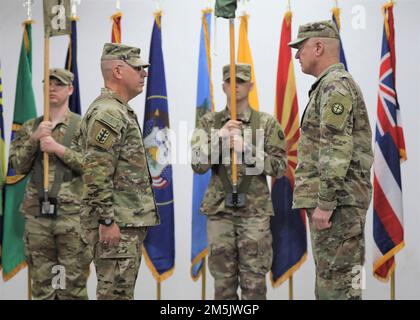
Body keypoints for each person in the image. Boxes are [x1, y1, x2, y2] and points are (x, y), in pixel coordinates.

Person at [289, 21, 373, 300]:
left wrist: (325, 203)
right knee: (333, 287)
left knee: (338, 290)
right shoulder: (327, 86)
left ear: (318, 46)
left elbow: (336, 148)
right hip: (338, 204)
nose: (297, 55)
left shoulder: (335, 86)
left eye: (300, 48)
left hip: (337, 206)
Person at [191, 63, 287, 300]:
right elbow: (198, 163)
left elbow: (280, 167)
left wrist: (247, 149)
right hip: (219, 212)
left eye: (242, 81)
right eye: (231, 82)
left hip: (254, 213)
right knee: (223, 286)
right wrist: (220, 137)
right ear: (223, 86)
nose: (236, 87)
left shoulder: (266, 123)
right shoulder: (208, 123)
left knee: (254, 285)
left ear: (251, 86)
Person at [79, 43, 160, 300]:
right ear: (117, 71)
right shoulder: (109, 113)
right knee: (114, 296)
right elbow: (97, 172)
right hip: (117, 225)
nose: (144, 74)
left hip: (124, 222)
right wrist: (106, 220)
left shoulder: (117, 109)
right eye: (138, 68)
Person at [10, 68, 90, 300]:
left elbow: (94, 167)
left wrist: (59, 149)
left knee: (72, 286)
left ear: (70, 89)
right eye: (49, 84)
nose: (53, 88)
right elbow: (17, 166)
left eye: (59, 84)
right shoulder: (30, 127)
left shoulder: (83, 126)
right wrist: (34, 141)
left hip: (71, 216)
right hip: (38, 216)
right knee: (43, 286)